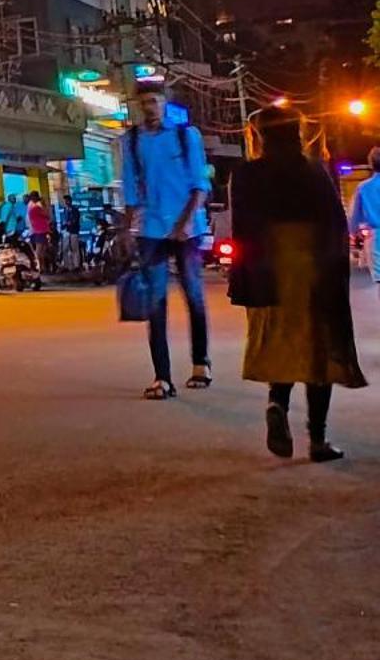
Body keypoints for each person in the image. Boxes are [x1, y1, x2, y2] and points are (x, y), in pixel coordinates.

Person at [233, 106, 365, 461]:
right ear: (297, 133)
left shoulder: (247, 174)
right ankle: (318, 440)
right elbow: (335, 224)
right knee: (316, 351)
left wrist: (246, 281)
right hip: (311, 271)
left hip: (269, 271)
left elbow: (241, 230)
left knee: (281, 345)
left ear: (260, 135)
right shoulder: (314, 172)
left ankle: (277, 403)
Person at [121, 79, 211, 398]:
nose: (150, 108)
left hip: (187, 229)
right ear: (138, 106)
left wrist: (184, 224)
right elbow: (131, 189)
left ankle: (201, 363)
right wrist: (128, 230)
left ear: (165, 103)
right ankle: (163, 377)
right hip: (151, 231)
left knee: (193, 296)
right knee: (156, 303)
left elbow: (200, 186)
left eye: (155, 101)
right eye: (144, 103)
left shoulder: (187, 137)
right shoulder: (131, 141)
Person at [349, 147, 380, 290]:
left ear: (371, 165)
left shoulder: (363, 188)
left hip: (376, 241)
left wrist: (354, 233)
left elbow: (353, 219)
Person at [26, 192, 54, 273]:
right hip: (40, 230)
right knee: (41, 250)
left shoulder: (34, 207)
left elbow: (47, 216)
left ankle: (43, 267)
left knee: (39, 251)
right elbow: (47, 216)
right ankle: (43, 267)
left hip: (39, 230)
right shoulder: (35, 207)